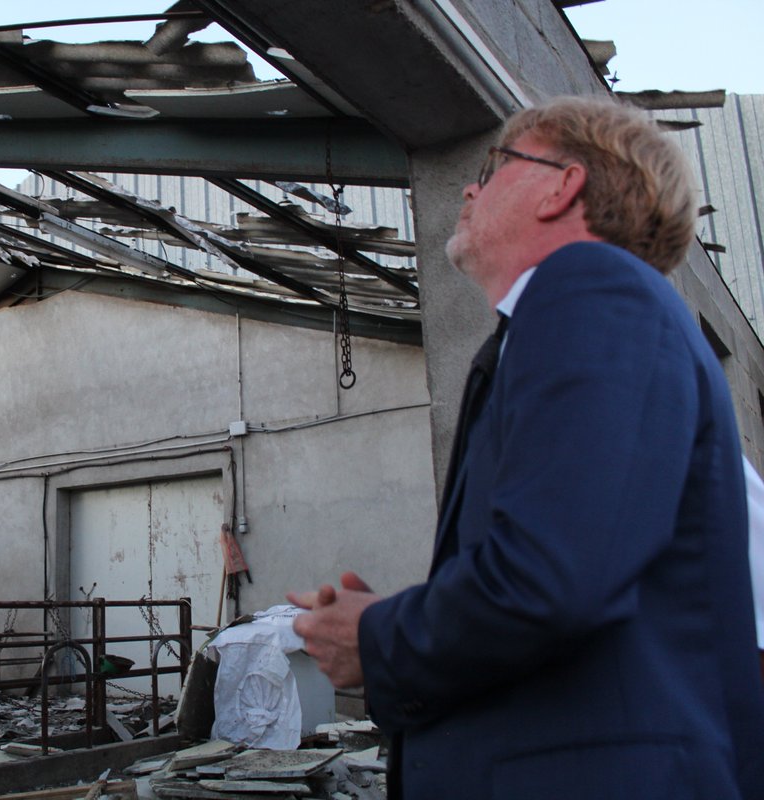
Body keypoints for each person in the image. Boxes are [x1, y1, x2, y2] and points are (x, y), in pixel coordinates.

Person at [288, 95, 764, 799]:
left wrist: (382, 636)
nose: (472, 187)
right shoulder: (565, 326)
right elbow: (570, 569)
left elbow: (551, 576)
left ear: (562, 184)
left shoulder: (590, 289)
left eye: (496, 163)